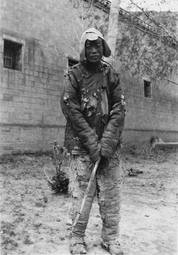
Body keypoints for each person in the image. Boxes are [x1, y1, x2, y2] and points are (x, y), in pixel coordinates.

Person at [60, 28, 126, 255]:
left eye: (98, 45)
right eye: (89, 46)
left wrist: (106, 143)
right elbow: (71, 109)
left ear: (103, 48)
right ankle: (77, 238)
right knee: (82, 194)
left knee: (111, 194)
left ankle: (111, 239)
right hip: (82, 148)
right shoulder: (74, 75)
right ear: (83, 49)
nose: (94, 50)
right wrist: (91, 142)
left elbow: (119, 108)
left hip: (109, 149)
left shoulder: (111, 75)